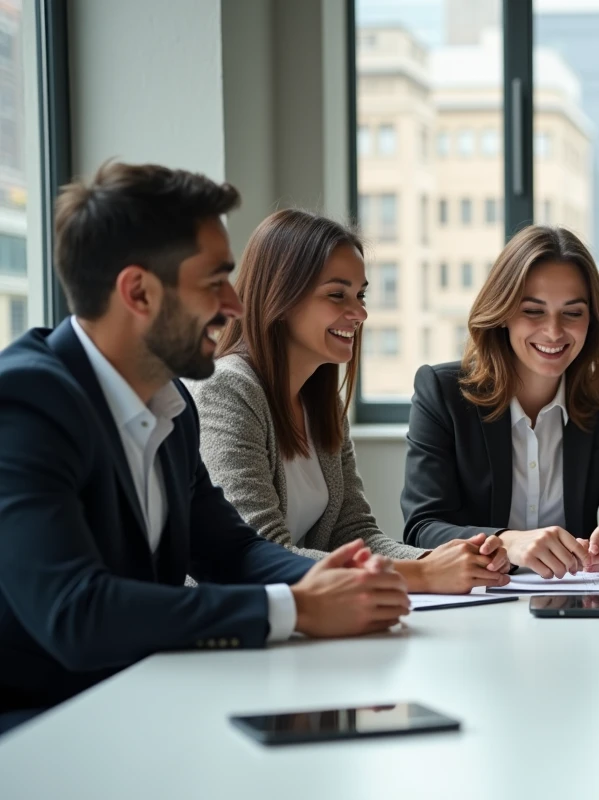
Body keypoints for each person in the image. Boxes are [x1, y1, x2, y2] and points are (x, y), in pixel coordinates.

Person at [0, 163, 409, 735]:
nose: (235, 304)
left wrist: (338, 578)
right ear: (138, 292)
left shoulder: (171, 406)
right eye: (214, 282)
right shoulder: (26, 401)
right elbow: (76, 612)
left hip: (147, 703)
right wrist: (296, 607)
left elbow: (230, 551)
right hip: (43, 731)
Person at [192, 209, 509, 593]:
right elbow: (259, 553)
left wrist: (439, 560)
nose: (360, 313)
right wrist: (423, 574)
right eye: (336, 295)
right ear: (281, 298)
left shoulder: (321, 405)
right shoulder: (226, 390)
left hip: (307, 613)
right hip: (238, 619)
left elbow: (354, 533)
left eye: (360, 295)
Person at [401, 225, 599, 578]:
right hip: (480, 596)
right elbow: (422, 526)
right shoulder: (442, 392)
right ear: (503, 314)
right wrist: (508, 542)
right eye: (533, 311)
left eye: (572, 313)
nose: (554, 331)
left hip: (575, 599)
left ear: (591, 319)